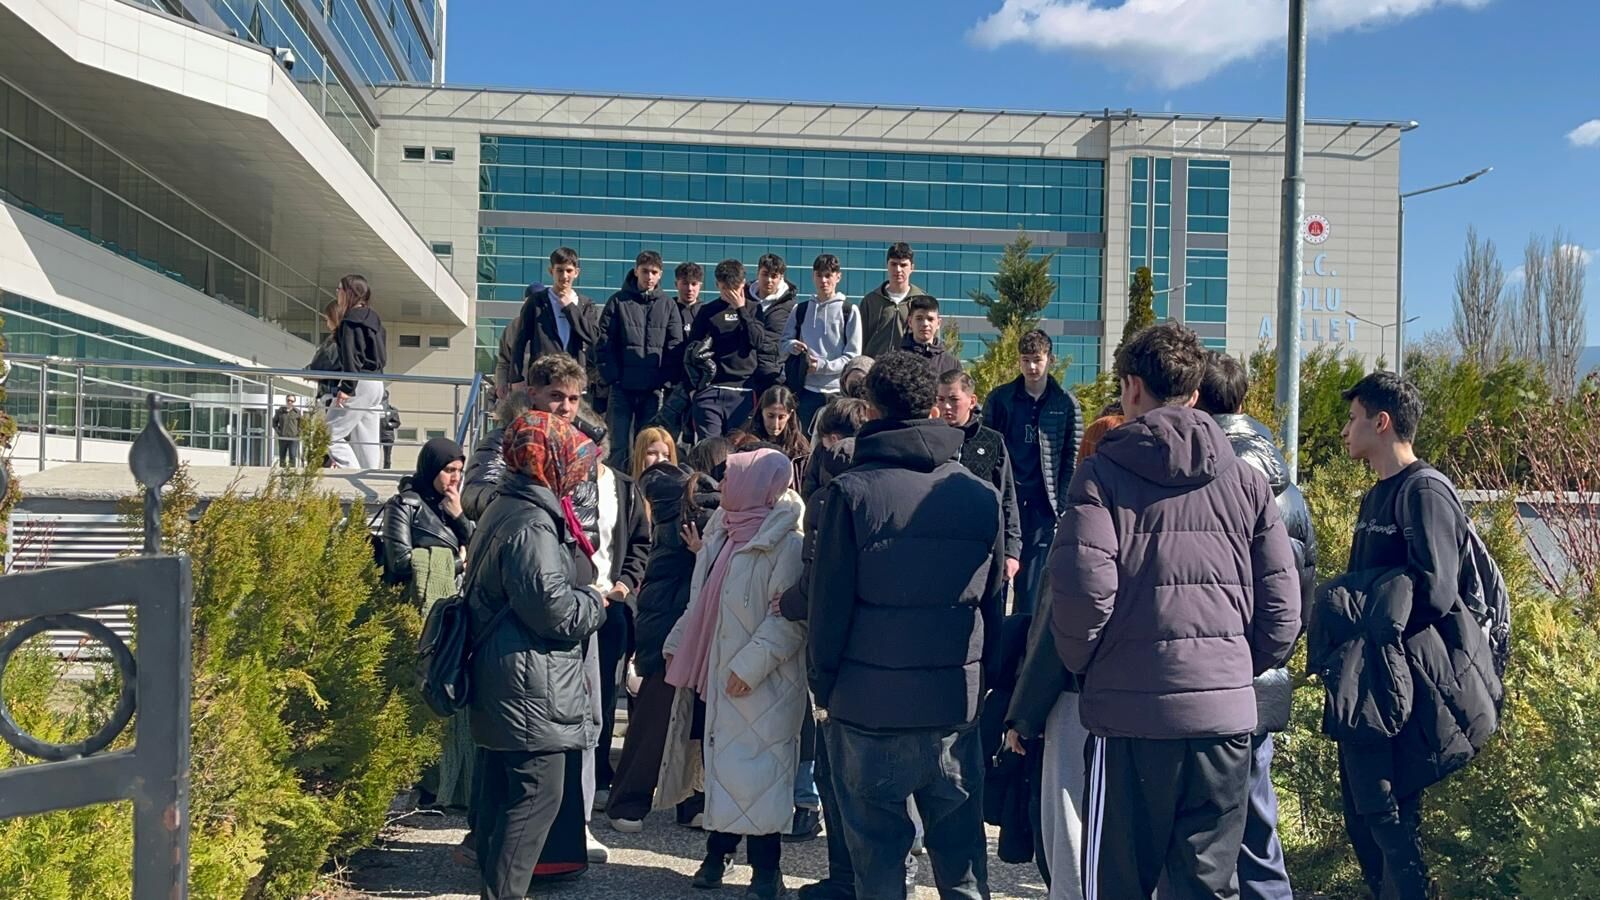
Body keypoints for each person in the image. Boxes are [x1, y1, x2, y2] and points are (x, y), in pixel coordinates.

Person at [1048, 323, 1301, 900]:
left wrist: (1090, 665)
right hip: (1224, 721)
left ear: (1132, 387)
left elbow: (1084, 592)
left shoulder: (1102, 475)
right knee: (1208, 886)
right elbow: (1283, 609)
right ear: (1194, 391)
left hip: (1132, 717)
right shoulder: (1247, 482)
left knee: (1117, 886)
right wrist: (1229, 667)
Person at [808, 351, 1007, 900]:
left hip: (868, 704)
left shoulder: (851, 493)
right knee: (963, 866)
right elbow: (993, 604)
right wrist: (984, 682)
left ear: (871, 410)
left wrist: (824, 686)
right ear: (933, 407)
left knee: (878, 867)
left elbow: (828, 609)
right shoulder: (980, 493)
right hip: (953, 703)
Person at [1315, 371, 1500, 900]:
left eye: (1353, 419)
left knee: (1390, 817)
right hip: (1373, 678)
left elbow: (1436, 590)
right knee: (1368, 816)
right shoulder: (1377, 496)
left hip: (1411, 685)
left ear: (1382, 422)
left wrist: (1365, 606)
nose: (1345, 430)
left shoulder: (1425, 490)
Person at [465, 410, 606, 900]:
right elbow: (554, 610)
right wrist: (595, 601)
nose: (579, 474)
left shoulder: (505, 507)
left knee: (503, 799)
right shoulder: (532, 523)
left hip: (506, 677)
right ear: (551, 462)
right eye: (574, 462)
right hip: (528, 683)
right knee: (536, 796)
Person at [658, 448, 807, 900]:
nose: (721, 485)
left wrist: (750, 666)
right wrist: (678, 643)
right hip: (716, 670)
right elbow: (702, 599)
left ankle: (766, 870)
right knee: (724, 768)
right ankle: (717, 855)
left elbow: (789, 619)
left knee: (760, 775)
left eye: (731, 478)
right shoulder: (722, 530)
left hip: (762, 680)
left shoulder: (786, 541)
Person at [1196, 353, 1318, 900]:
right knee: (1257, 836)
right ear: (1245, 401)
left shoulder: (1198, 476)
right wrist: (1265, 660)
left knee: (1198, 841)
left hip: (1203, 680)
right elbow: (1300, 595)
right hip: (1258, 680)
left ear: (1194, 398)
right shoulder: (1286, 487)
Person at [607, 437, 730, 833]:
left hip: (668, 624)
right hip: (684, 626)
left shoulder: (678, 506)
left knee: (668, 719)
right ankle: (667, 802)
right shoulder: (702, 508)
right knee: (678, 719)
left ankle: (647, 802)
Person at [383, 439, 476, 815]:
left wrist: (460, 517)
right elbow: (399, 560)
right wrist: (456, 563)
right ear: (430, 468)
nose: (454, 478)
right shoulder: (404, 504)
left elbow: (479, 546)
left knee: (452, 694)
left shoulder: (455, 506)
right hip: (418, 614)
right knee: (421, 696)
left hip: (453, 616)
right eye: (448, 470)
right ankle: (424, 781)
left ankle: (451, 783)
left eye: (459, 471)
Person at [984, 328, 1084, 618]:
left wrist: (1061, 504)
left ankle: (1023, 642)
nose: (1031, 367)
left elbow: (1071, 458)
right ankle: (995, 638)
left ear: (1050, 360)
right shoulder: (1001, 399)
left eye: (1037, 360)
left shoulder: (1065, 403)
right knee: (998, 576)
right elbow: (987, 450)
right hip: (1006, 499)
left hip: (1043, 504)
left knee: (1032, 587)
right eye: (1025, 360)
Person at [599, 251, 684, 470]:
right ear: (636, 271)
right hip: (621, 389)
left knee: (648, 447)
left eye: (654, 272)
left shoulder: (668, 304)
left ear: (660, 274)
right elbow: (604, 342)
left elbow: (675, 346)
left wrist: (664, 380)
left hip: (652, 391)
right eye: (645, 271)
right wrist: (612, 377)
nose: (649, 276)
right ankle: (617, 487)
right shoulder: (618, 301)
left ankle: (644, 486)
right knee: (617, 446)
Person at [937, 370, 1021, 584]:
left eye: (953, 399)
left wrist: (1011, 550)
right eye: (941, 399)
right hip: (938, 543)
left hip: (983, 546)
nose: (946, 407)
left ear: (972, 401)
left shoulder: (991, 441)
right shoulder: (930, 440)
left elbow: (1007, 496)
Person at [500, 248, 600, 393]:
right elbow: (520, 341)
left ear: (576, 272)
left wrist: (570, 308)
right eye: (559, 270)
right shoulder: (536, 302)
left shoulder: (585, 304)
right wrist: (515, 378)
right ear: (551, 271)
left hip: (573, 378)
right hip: (542, 378)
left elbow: (593, 337)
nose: (564, 276)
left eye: (569, 270)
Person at [687, 259, 765, 438]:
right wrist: (692, 389)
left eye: (735, 288)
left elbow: (757, 341)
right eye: (725, 289)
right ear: (717, 285)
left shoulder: (754, 309)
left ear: (743, 284)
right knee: (710, 448)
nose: (731, 293)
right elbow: (690, 351)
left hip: (743, 390)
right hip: (711, 389)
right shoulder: (707, 311)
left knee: (739, 446)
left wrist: (740, 309)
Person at [783, 253, 862, 428]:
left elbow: (853, 357)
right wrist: (792, 346)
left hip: (837, 393)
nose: (823, 280)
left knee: (835, 440)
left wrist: (822, 366)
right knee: (803, 441)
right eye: (819, 275)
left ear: (838, 277)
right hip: (805, 391)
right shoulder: (800, 309)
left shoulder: (849, 310)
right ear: (813, 276)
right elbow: (784, 342)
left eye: (828, 275)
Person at [325, 274, 387, 469]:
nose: (337, 293)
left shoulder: (351, 321)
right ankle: (372, 476)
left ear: (349, 292)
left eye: (339, 289)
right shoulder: (374, 319)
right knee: (367, 439)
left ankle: (351, 472)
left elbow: (352, 356)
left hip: (359, 382)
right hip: (377, 382)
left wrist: (347, 387)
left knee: (327, 434)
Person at [860, 243, 932, 358]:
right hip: (875, 366)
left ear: (912, 268)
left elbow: (932, 342)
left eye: (903, 265)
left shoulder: (923, 301)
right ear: (887, 265)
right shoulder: (870, 301)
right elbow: (859, 340)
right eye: (893, 264)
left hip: (910, 366)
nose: (898, 269)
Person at [747, 253, 799, 399]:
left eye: (774, 276)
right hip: (744, 371)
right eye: (765, 274)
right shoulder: (743, 300)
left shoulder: (791, 306)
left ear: (781, 277)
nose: (769, 280)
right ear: (757, 273)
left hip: (774, 374)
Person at [740, 385, 811, 487]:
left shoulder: (800, 450)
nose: (775, 425)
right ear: (761, 411)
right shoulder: (747, 444)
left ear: (790, 415)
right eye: (770, 416)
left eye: (781, 417)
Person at [900, 296, 961, 379]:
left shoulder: (951, 363)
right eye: (919, 318)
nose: (925, 324)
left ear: (938, 323)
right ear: (910, 322)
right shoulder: (897, 358)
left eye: (930, 319)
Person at [272, 395, 303, 467]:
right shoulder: (280, 411)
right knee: (282, 457)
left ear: (294, 402)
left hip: (293, 438)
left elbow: (301, 424)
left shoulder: (297, 412)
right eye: (288, 400)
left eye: (292, 401)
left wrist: (297, 433)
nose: (290, 402)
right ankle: (282, 472)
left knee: (292, 456)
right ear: (286, 400)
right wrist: (279, 432)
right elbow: (274, 423)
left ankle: (291, 472)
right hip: (283, 438)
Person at [380, 392, 401, 469]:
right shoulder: (376, 409)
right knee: (374, 454)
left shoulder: (392, 410)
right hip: (377, 434)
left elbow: (397, 423)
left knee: (387, 457)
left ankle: (386, 469)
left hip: (388, 435)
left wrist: (389, 424)